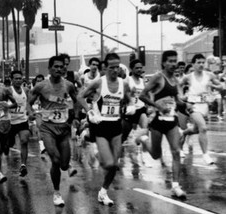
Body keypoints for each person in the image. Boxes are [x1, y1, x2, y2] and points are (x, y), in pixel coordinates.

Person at [77, 53, 131, 206]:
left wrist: (130, 105)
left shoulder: (123, 83)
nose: (115, 70)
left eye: (117, 67)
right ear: (106, 68)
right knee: (108, 163)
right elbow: (80, 97)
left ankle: (103, 192)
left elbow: (127, 98)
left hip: (115, 125)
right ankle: (87, 135)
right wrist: (89, 111)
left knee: (115, 164)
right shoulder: (98, 83)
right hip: (100, 124)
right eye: (112, 67)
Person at [137, 50, 188, 198]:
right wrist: (157, 106)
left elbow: (176, 100)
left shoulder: (175, 79)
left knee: (176, 151)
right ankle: (144, 140)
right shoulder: (158, 77)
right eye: (170, 61)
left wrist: (186, 105)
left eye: (175, 61)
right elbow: (142, 95)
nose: (173, 64)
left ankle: (176, 186)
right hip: (157, 120)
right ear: (164, 62)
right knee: (155, 154)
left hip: (171, 120)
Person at [28, 56, 77, 206]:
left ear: (64, 69)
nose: (58, 69)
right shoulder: (41, 86)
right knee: (55, 160)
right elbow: (29, 103)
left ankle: (66, 166)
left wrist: (75, 118)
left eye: (61, 67)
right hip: (47, 128)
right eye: (55, 66)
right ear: (49, 69)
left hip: (63, 128)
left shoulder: (68, 85)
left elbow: (77, 100)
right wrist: (32, 114)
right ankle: (56, 193)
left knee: (63, 164)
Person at [178, 53, 223, 165]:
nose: (201, 64)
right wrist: (181, 97)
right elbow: (179, 85)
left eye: (203, 62)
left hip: (205, 107)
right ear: (193, 64)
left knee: (195, 130)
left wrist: (213, 86)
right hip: (193, 106)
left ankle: (183, 133)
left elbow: (221, 86)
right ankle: (205, 155)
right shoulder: (188, 77)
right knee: (203, 128)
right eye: (198, 62)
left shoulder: (209, 75)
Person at [8, 70, 32, 177]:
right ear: (11, 80)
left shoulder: (26, 90)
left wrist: (31, 112)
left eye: (20, 78)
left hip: (22, 120)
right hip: (10, 122)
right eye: (16, 78)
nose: (18, 80)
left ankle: (23, 165)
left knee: (24, 140)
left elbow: (28, 104)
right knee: (7, 145)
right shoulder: (8, 90)